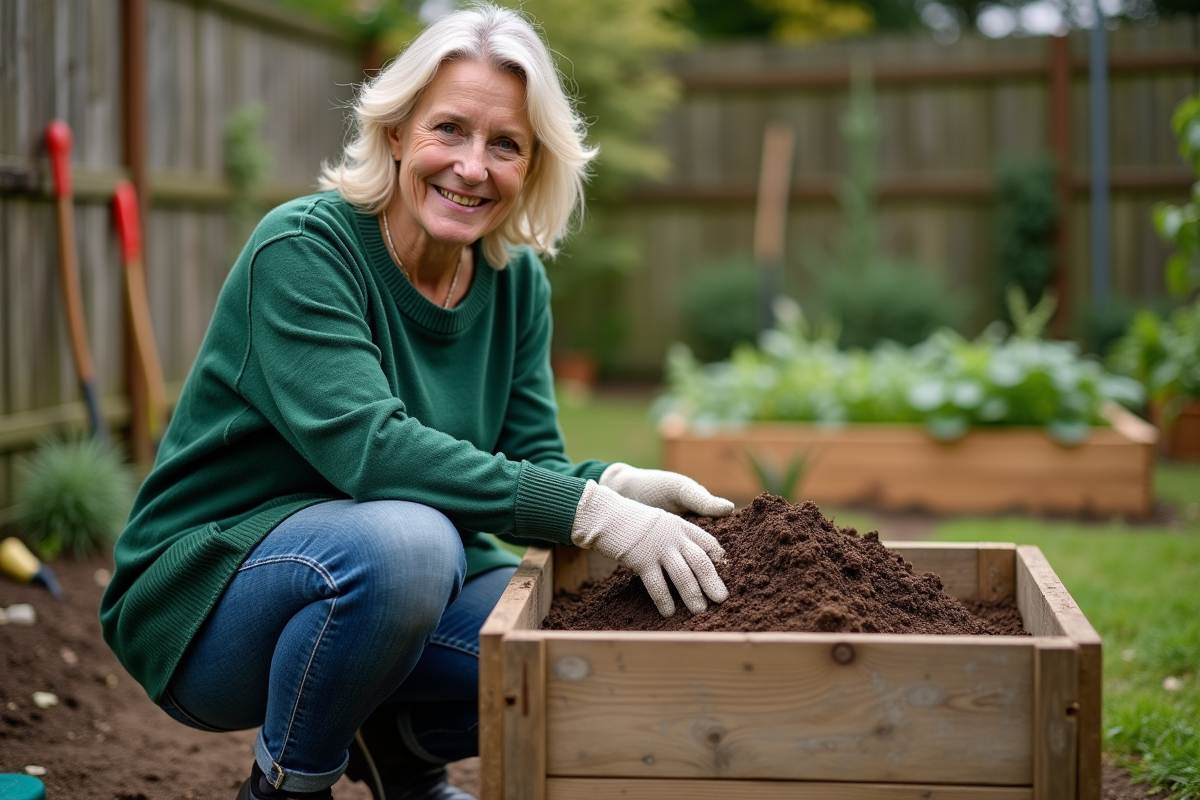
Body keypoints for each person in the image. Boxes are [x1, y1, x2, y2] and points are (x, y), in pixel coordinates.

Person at [100, 5, 734, 800]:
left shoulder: (514, 283)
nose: (473, 167)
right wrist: (591, 515)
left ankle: (398, 754)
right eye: (450, 130)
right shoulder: (304, 250)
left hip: (368, 594)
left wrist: (614, 487)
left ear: (534, 165)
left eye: (505, 144)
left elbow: (533, 461)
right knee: (412, 545)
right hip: (208, 603)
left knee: (579, 637)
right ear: (396, 132)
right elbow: (371, 449)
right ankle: (288, 787)